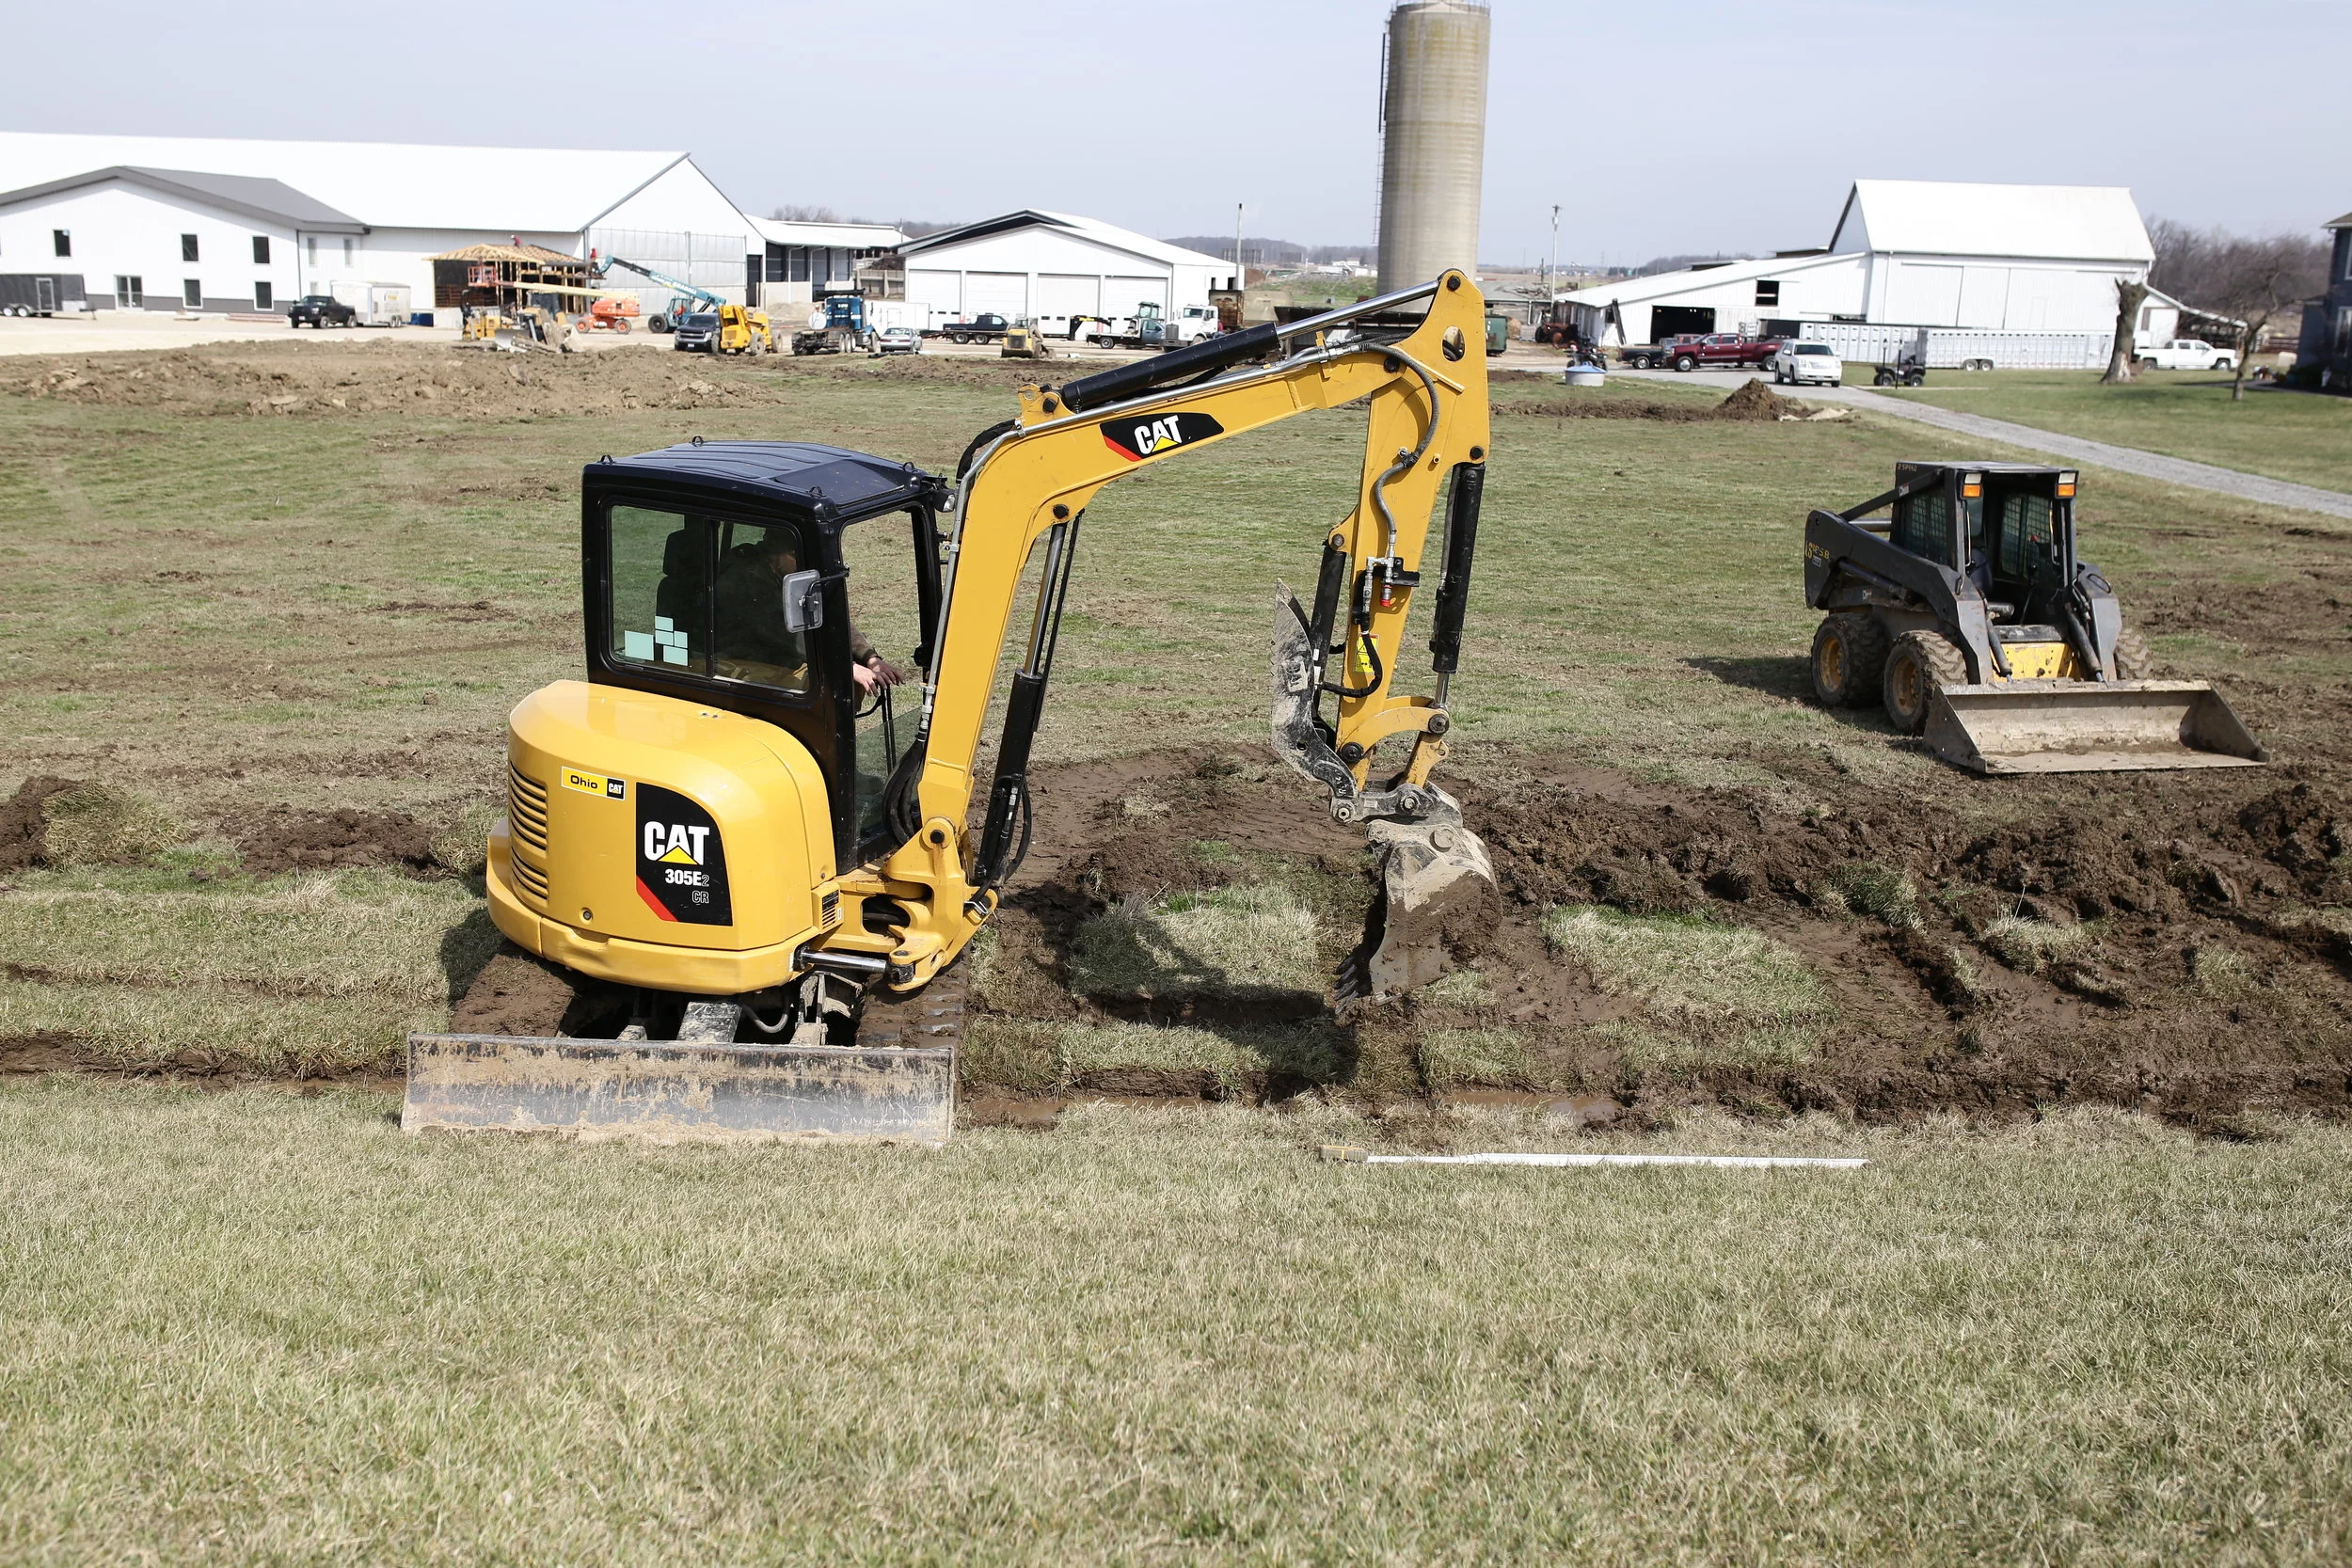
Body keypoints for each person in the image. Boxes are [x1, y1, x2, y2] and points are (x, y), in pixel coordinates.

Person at [713, 529, 907, 696]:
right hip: (735, 659)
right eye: (794, 556)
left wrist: (870, 658)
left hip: (773, 652)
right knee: (827, 683)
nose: (802, 563)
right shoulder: (742, 583)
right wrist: (844, 666)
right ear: (774, 554)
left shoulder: (787, 573)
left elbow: (829, 616)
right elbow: (787, 634)